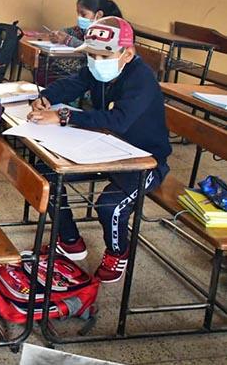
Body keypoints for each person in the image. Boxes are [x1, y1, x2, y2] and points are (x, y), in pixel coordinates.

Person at [28, 17, 171, 284]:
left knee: (110, 205)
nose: (96, 61)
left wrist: (63, 116)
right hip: (106, 148)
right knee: (46, 174)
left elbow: (119, 120)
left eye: (103, 56)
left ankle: (118, 252)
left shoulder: (141, 79)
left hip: (145, 160)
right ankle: (69, 240)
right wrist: (46, 97)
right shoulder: (98, 70)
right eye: (91, 55)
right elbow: (72, 83)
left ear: (127, 54)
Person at [49, 0, 123, 48]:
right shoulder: (87, 29)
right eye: (78, 13)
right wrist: (58, 34)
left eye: (83, 14)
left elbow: (95, 50)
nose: (79, 17)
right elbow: (70, 31)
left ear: (99, 15)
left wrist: (68, 40)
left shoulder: (111, 32)